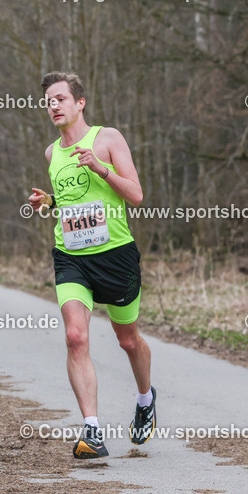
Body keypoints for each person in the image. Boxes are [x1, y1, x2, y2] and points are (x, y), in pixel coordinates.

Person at [28, 71, 156, 459]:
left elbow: (135, 195)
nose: (53, 106)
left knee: (128, 340)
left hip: (115, 255)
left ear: (79, 103)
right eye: (48, 100)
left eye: (60, 99)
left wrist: (101, 168)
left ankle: (146, 399)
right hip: (71, 257)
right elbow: (70, 202)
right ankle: (92, 431)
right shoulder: (52, 153)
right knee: (75, 337)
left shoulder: (108, 138)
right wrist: (48, 203)